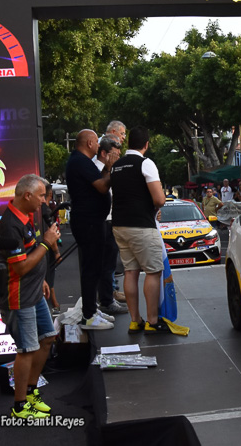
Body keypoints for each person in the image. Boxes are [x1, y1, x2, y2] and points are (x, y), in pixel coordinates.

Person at [0, 174, 61, 419]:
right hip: (19, 296)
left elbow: (29, 255)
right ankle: (20, 405)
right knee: (26, 349)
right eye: (41, 196)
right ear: (27, 195)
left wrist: (41, 278)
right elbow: (20, 268)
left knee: (48, 338)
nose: (44, 201)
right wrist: (46, 244)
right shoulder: (10, 225)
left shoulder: (25, 217)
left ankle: (32, 392)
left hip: (34, 292)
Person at [110, 127, 169, 335]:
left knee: (130, 272)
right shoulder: (146, 163)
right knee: (153, 272)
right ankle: (152, 321)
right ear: (146, 144)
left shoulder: (116, 166)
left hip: (119, 225)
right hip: (141, 225)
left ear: (128, 143)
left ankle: (135, 321)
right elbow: (159, 199)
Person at [66, 129, 118, 330]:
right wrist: (111, 168)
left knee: (95, 267)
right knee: (91, 268)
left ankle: (91, 309)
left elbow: (100, 182)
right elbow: (102, 187)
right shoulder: (80, 161)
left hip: (93, 220)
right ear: (89, 143)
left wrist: (106, 169)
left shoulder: (84, 161)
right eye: (96, 142)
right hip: (88, 222)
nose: (98, 145)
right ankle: (88, 316)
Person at [93, 136, 128, 315]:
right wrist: (109, 168)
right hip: (101, 221)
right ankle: (106, 300)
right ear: (104, 153)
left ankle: (107, 297)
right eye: (115, 155)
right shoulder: (96, 169)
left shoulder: (111, 169)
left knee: (109, 263)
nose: (117, 158)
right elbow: (101, 188)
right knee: (104, 264)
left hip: (111, 220)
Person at [40, 180, 62, 315]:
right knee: (49, 276)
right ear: (50, 195)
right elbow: (51, 233)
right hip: (47, 249)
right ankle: (53, 303)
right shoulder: (45, 210)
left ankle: (53, 303)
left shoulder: (41, 209)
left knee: (47, 276)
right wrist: (57, 252)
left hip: (42, 247)